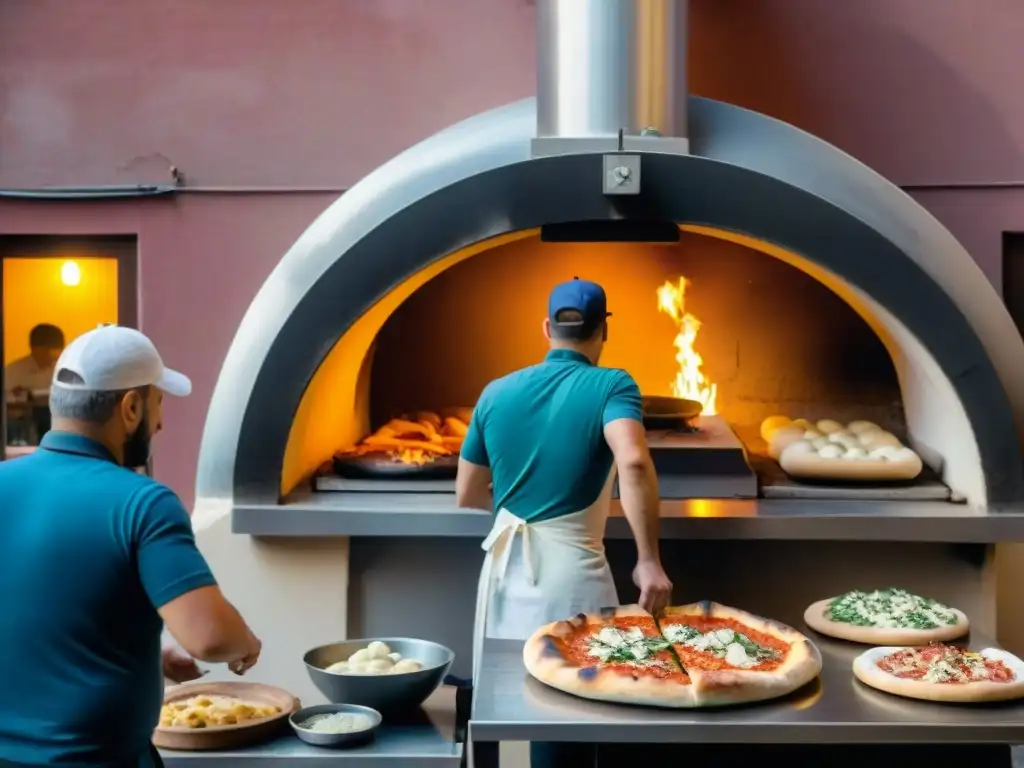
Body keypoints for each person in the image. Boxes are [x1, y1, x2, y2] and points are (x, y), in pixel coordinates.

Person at [0, 324, 262, 768]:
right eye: (158, 405)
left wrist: (143, 650)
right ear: (132, 407)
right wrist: (246, 644)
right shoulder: (142, 501)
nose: (159, 423)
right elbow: (211, 637)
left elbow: (37, 611)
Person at [456, 277, 672, 768]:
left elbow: (466, 493)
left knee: (510, 712)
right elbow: (634, 462)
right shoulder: (613, 384)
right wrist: (648, 560)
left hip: (504, 574)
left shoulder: (496, 391)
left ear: (546, 328)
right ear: (603, 332)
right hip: (571, 578)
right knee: (572, 720)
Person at [4, 323, 65, 395]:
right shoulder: (12, 372)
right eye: (47, 352)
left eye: (57, 352)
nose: (53, 357)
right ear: (34, 349)